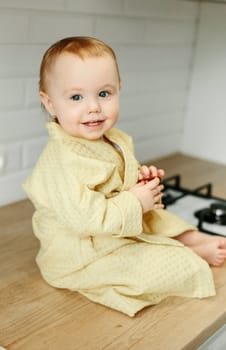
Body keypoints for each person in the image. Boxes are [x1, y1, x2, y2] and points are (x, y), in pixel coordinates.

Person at [23, 36, 226, 317]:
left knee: (156, 216)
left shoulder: (114, 138)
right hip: (82, 253)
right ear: (50, 103)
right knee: (158, 266)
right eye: (76, 97)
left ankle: (187, 238)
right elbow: (86, 220)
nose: (94, 107)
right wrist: (134, 202)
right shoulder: (61, 161)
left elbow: (117, 179)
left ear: (119, 89)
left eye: (104, 94)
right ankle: (185, 252)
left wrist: (139, 181)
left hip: (116, 226)